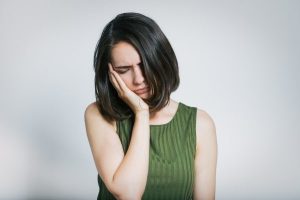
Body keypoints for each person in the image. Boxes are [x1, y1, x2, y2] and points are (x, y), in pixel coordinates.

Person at [84, 12, 217, 200]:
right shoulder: (99, 115)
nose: (138, 79)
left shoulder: (200, 124)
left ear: (160, 60)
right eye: (124, 70)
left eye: (144, 65)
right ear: (110, 74)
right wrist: (141, 112)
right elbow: (128, 193)